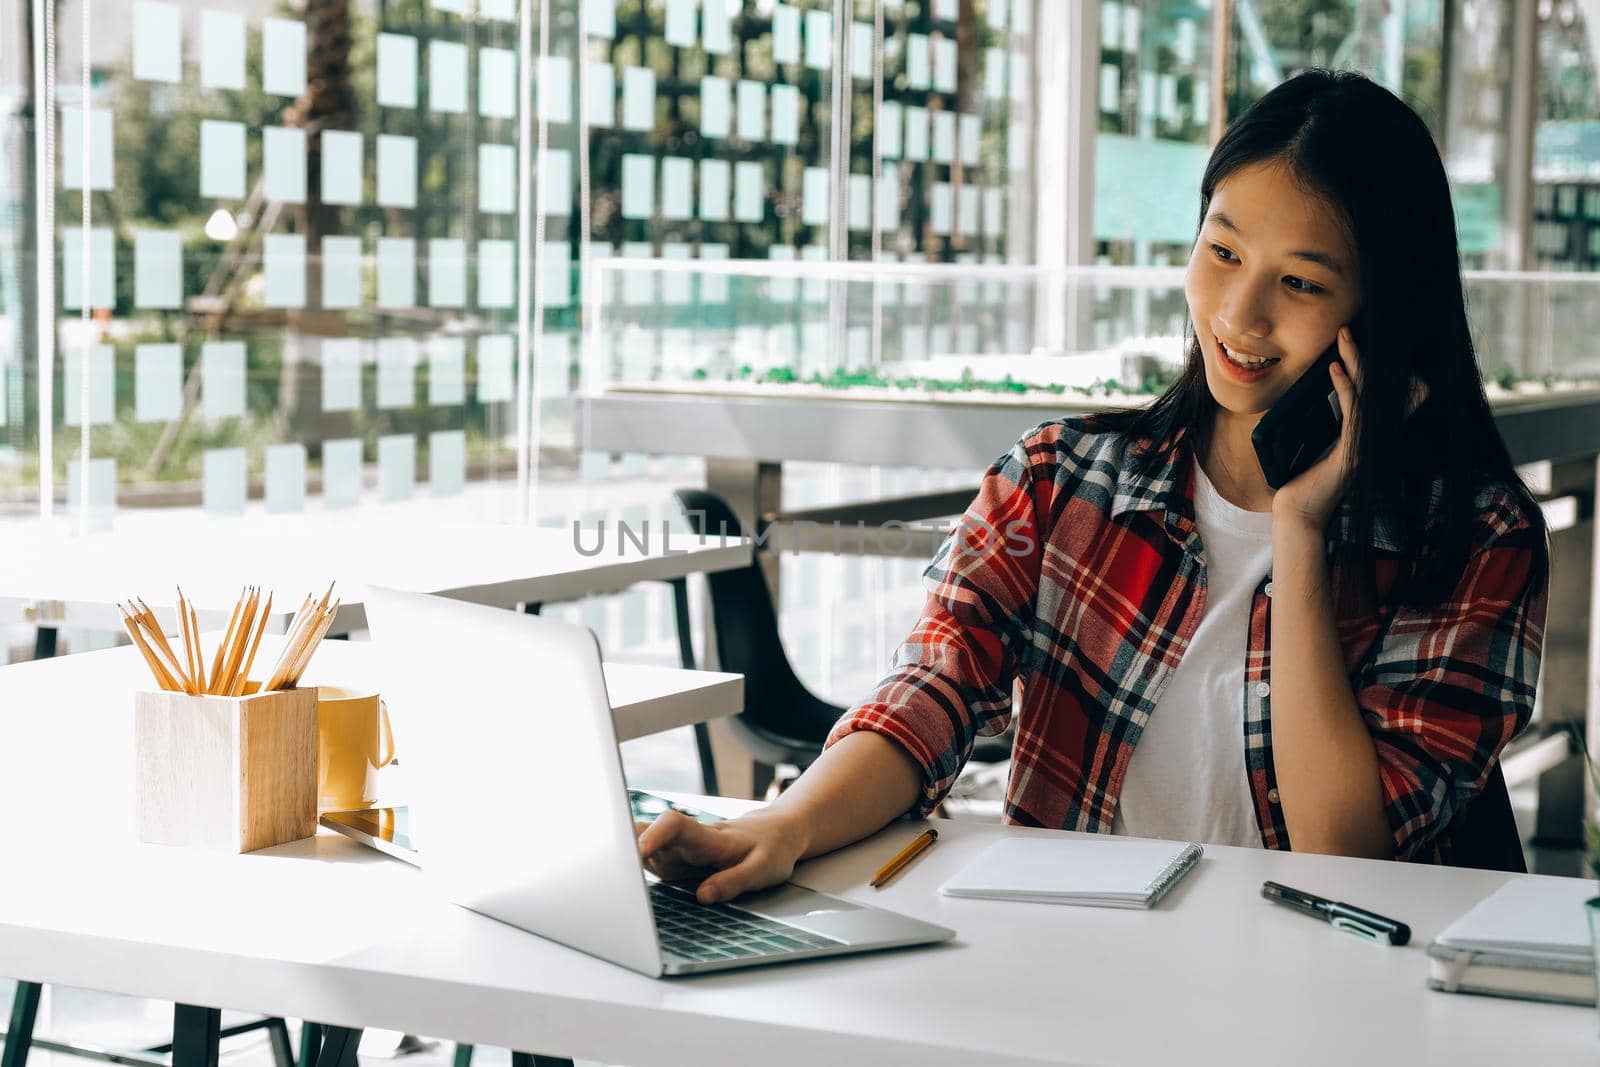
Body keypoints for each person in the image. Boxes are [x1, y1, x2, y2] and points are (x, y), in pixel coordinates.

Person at [640, 69, 1550, 904]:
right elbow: (929, 696)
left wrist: (1300, 530)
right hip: (1074, 976)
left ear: (1382, 314)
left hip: (1322, 1002)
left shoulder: (1476, 539)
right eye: (1223, 252)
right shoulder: (1058, 480)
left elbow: (1342, 855)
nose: (1240, 314)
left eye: (1301, 282)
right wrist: (783, 824)